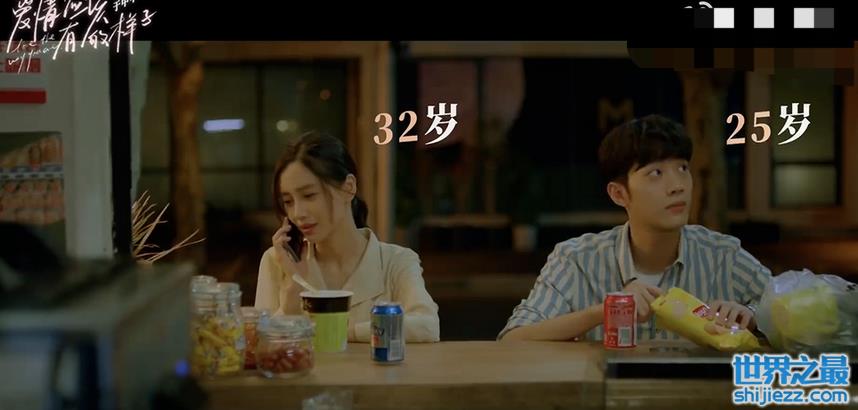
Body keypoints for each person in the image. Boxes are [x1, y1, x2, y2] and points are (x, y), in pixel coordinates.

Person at [498, 114, 772, 342]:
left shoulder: (722, 255)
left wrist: (751, 315)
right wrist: (603, 311)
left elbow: (791, 309)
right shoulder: (577, 260)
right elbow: (513, 339)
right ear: (619, 194)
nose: (677, 186)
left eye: (682, 168)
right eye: (656, 173)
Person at [255, 131, 440, 343]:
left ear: (348, 188)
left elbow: (427, 326)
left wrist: (343, 332)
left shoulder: (396, 261)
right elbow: (259, 344)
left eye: (309, 195)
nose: (298, 213)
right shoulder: (277, 261)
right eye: (288, 201)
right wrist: (291, 299)